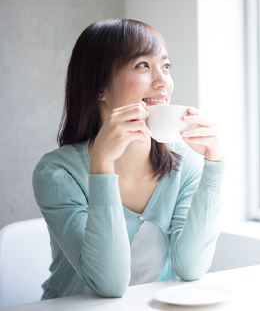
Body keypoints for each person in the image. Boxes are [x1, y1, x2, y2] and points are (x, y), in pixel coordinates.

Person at [32, 19, 225, 300]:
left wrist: (215, 165)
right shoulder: (57, 173)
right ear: (99, 87)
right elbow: (108, 284)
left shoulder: (186, 163)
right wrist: (102, 166)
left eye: (166, 66)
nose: (163, 82)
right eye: (143, 65)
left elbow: (191, 267)